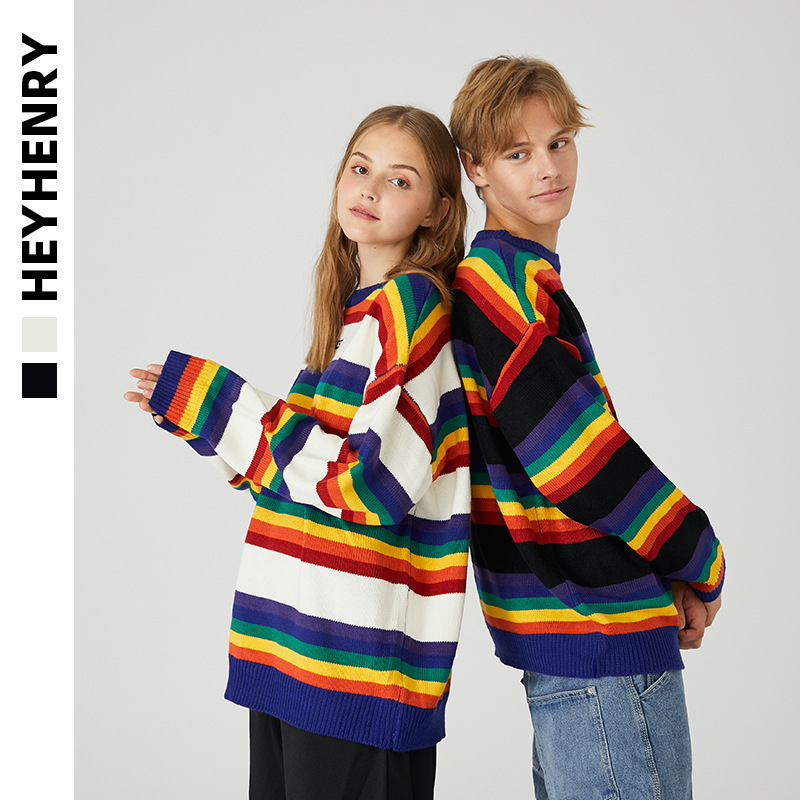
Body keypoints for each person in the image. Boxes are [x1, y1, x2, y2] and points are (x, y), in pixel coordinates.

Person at [124, 105, 470, 800]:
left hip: (354, 669)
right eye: (360, 168)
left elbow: (372, 484)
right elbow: (294, 480)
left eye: (400, 180)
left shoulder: (412, 309)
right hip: (293, 652)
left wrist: (223, 405)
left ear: (437, 210)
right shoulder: (353, 315)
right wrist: (203, 425)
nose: (370, 188)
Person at [448, 56, 725, 799]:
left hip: (578, 639)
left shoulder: (518, 280)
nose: (549, 167)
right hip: (599, 639)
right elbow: (578, 461)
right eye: (518, 153)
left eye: (560, 142)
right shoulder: (500, 287)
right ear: (474, 167)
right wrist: (698, 554)